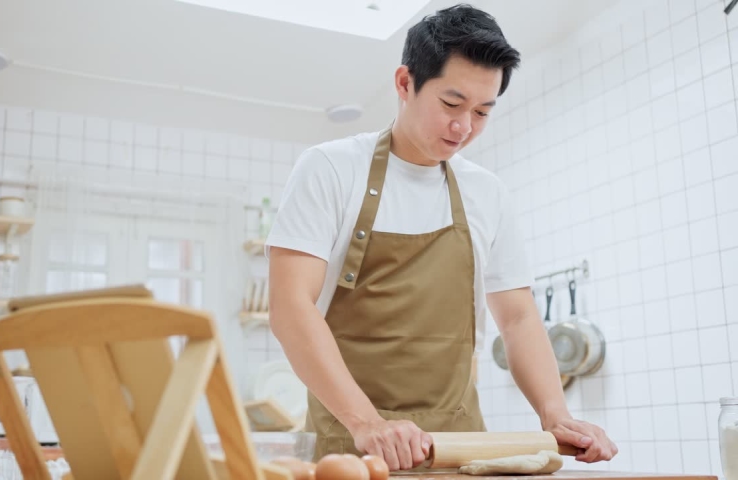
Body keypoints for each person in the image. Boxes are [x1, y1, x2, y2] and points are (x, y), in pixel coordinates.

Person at [264, 3, 617, 471]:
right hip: (356, 448)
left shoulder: (486, 193)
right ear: (405, 83)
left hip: (460, 451)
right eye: (451, 104)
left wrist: (556, 415)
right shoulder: (331, 169)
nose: (464, 127)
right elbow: (291, 307)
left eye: (482, 111)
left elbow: (516, 318)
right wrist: (367, 423)